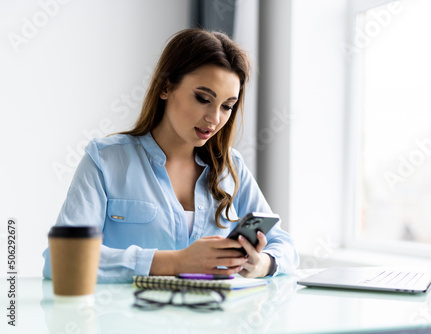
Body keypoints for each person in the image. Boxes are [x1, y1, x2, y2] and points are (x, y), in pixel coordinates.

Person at [42, 28, 299, 283]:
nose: (214, 118)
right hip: (126, 322)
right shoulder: (106, 160)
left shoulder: (230, 168)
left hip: (214, 321)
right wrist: (177, 262)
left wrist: (261, 263)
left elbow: (285, 245)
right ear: (166, 87)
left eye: (227, 106)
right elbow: (61, 260)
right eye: (202, 98)